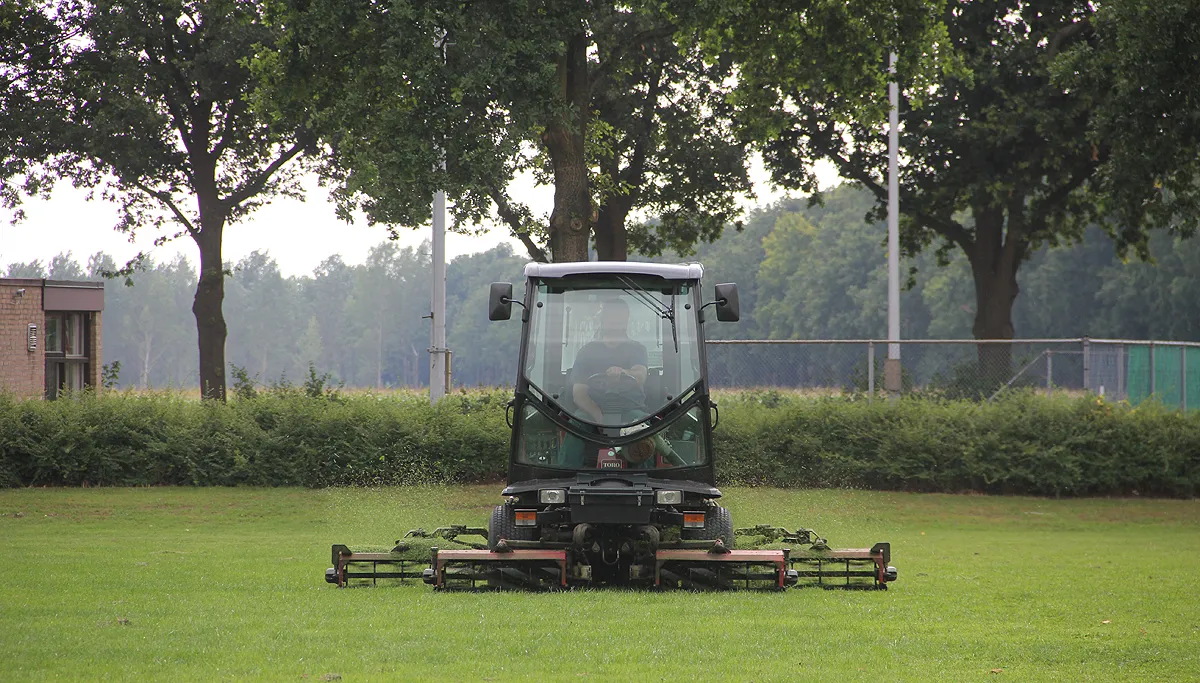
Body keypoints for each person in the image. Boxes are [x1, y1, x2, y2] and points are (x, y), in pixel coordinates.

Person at [570, 299, 648, 424]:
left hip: (631, 410)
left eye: (619, 316)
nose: (614, 321)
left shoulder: (637, 349)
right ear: (603, 319)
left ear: (626, 320)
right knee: (577, 423)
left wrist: (623, 372)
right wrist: (598, 417)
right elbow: (579, 393)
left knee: (642, 426)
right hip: (591, 412)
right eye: (611, 316)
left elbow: (640, 375)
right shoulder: (587, 351)